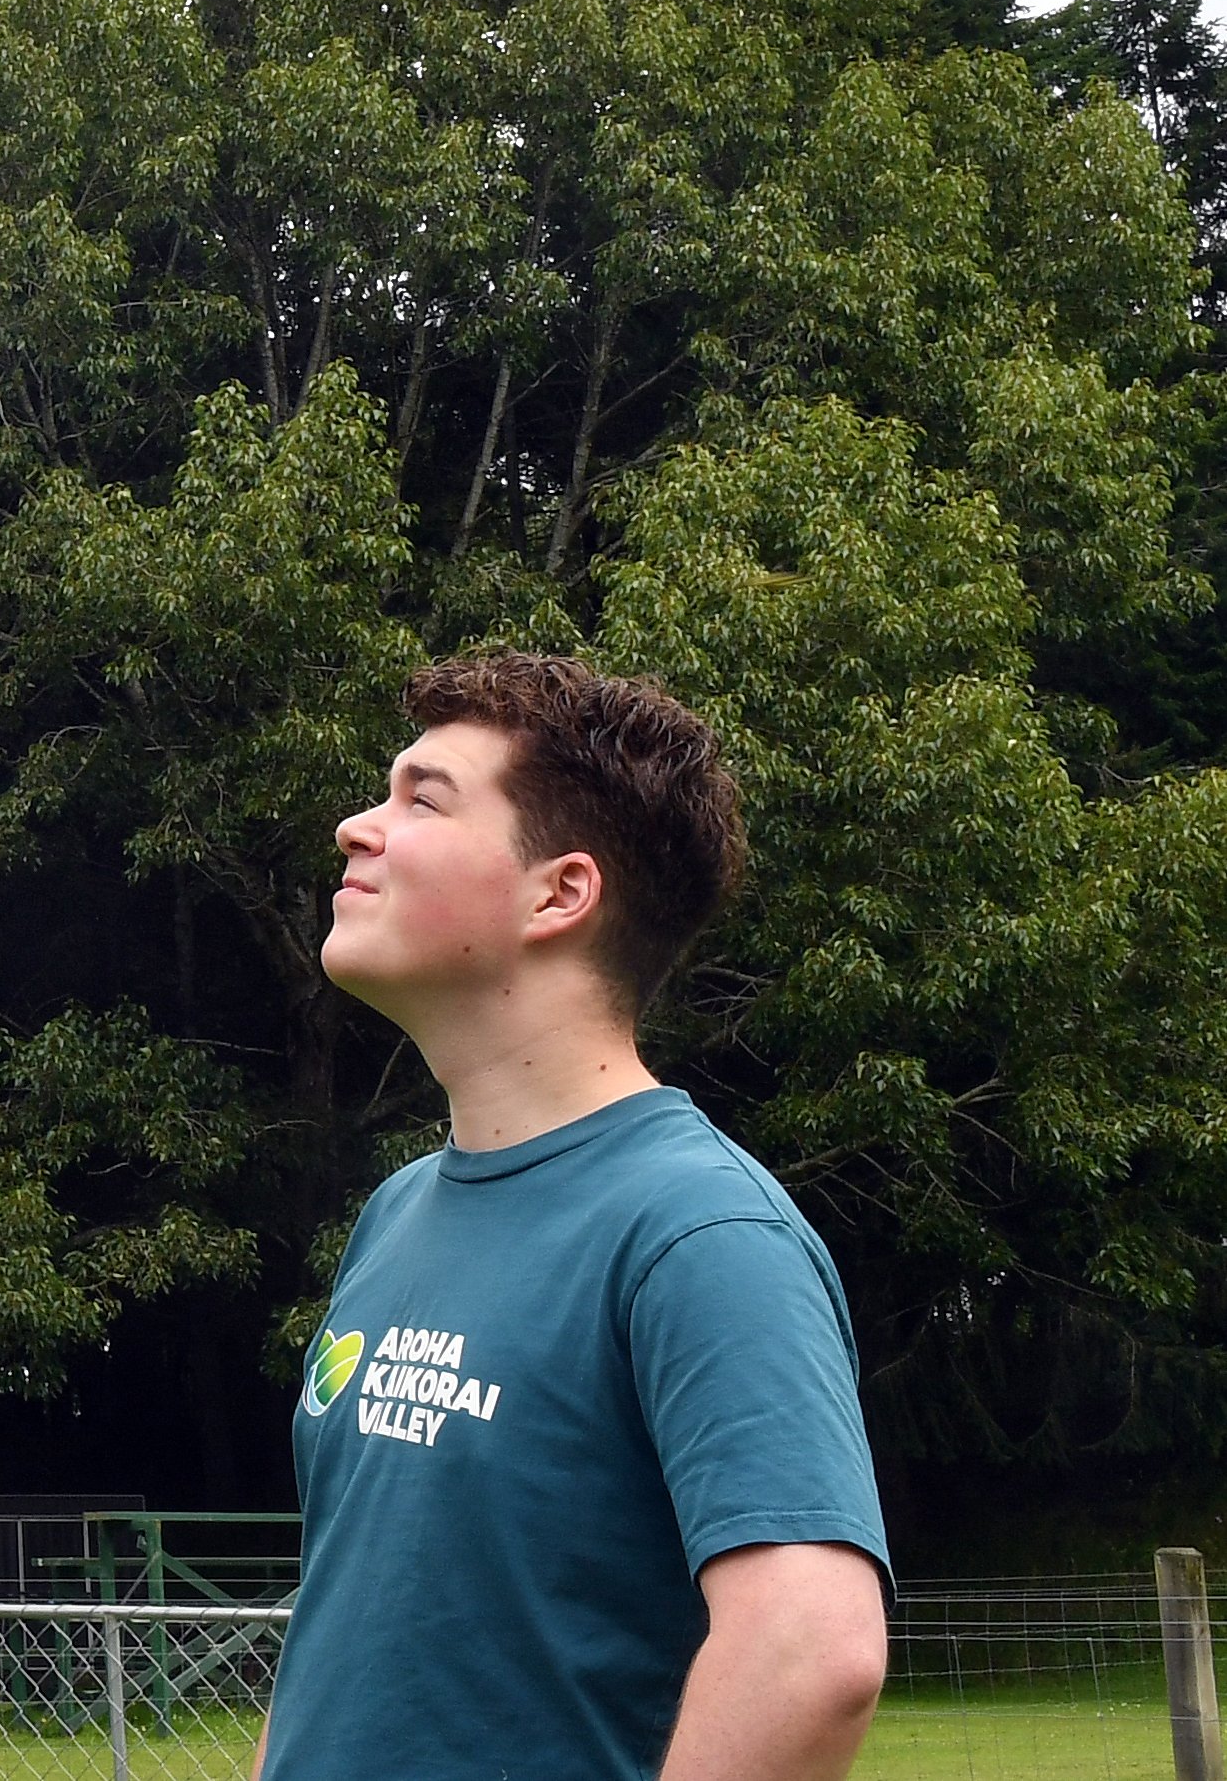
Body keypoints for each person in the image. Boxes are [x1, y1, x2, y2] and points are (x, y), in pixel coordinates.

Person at [258, 649, 887, 1781]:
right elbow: (348, 1624)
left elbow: (812, 1651)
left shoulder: (700, 1235)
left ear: (562, 892)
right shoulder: (398, 1212)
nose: (359, 827)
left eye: (422, 798)